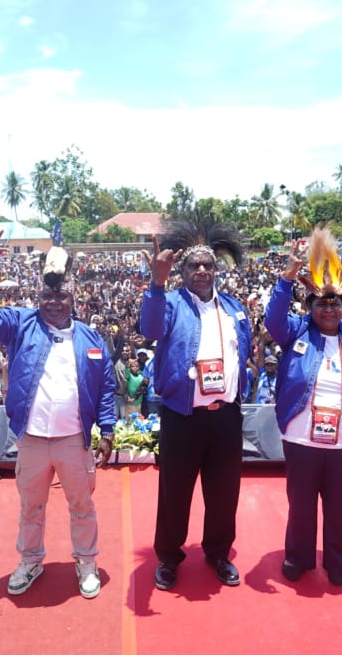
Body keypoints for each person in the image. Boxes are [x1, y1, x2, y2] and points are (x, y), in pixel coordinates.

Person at [0, 238, 116, 599]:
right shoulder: (20, 325)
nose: (54, 303)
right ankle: (31, 560)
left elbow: (106, 387)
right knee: (31, 507)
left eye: (61, 297)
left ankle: (86, 561)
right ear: (38, 299)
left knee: (82, 507)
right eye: (47, 297)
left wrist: (108, 430)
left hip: (74, 440)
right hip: (32, 440)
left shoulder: (91, 339)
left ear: (73, 300)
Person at [265, 230, 342, 585]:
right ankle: (298, 558)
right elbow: (273, 321)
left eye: (336, 303)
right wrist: (287, 278)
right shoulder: (296, 332)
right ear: (311, 308)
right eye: (322, 303)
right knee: (301, 506)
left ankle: (337, 562)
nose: (329, 309)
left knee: (339, 508)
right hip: (302, 438)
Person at [140, 219, 253, 590]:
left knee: (224, 491)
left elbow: (245, 352)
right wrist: (157, 284)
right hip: (183, 416)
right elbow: (151, 329)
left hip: (226, 415)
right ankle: (169, 557)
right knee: (175, 491)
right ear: (182, 271)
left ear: (216, 269)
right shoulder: (169, 303)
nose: (201, 271)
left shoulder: (234, 308)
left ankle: (219, 553)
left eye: (208, 265)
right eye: (193, 265)